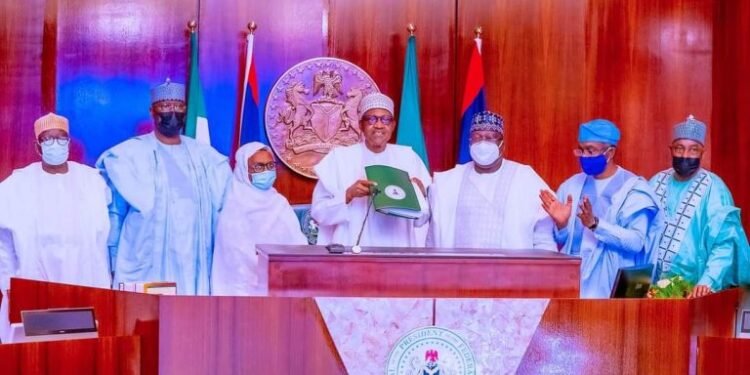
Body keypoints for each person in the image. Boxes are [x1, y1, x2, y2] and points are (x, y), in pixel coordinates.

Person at [97, 79, 231, 295]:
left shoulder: (205, 157)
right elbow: (116, 215)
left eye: (178, 106)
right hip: (148, 256)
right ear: (153, 110)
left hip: (193, 256)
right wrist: (111, 261)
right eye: (166, 106)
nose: (173, 111)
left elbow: (225, 209)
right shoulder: (129, 155)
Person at [0, 113, 111, 341]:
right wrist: (8, 283)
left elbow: (101, 240)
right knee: (37, 354)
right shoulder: (16, 185)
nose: (55, 144)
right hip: (35, 285)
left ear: (69, 142)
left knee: (81, 351)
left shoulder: (92, 181)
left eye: (61, 138)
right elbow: (4, 245)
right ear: (37, 145)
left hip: (84, 282)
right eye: (48, 139)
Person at [539, 119, 663, 298]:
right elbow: (563, 241)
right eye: (581, 150)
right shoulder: (571, 186)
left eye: (591, 150)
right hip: (574, 281)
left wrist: (595, 224)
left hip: (613, 282)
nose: (585, 156)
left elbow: (636, 242)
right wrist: (562, 225)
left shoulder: (634, 190)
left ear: (610, 152)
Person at [311, 92, 431, 247]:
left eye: (385, 119)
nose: (379, 125)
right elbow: (319, 213)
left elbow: (423, 219)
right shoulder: (339, 159)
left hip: (398, 249)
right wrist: (348, 195)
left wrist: (420, 195)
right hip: (352, 251)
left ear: (393, 125)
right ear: (361, 125)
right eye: (372, 119)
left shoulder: (408, 158)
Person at [649, 115, 750, 298]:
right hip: (651, 289)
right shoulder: (656, 182)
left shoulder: (715, 189)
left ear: (702, 152)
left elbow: (724, 243)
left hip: (694, 290)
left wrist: (707, 281)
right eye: (679, 148)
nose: (685, 155)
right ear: (671, 150)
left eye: (693, 150)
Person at [427, 111, 555, 250]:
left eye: (490, 138)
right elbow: (432, 236)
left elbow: (544, 236)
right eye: (478, 137)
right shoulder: (449, 182)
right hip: (459, 269)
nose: (483, 143)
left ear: (502, 145)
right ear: (470, 142)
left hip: (511, 270)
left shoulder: (525, 178)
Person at [212, 142, 307, 296]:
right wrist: (264, 269)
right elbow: (235, 257)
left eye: (270, 166)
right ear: (244, 171)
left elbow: (297, 245)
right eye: (259, 167)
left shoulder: (279, 203)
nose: (266, 171)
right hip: (242, 288)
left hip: (279, 284)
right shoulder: (234, 206)